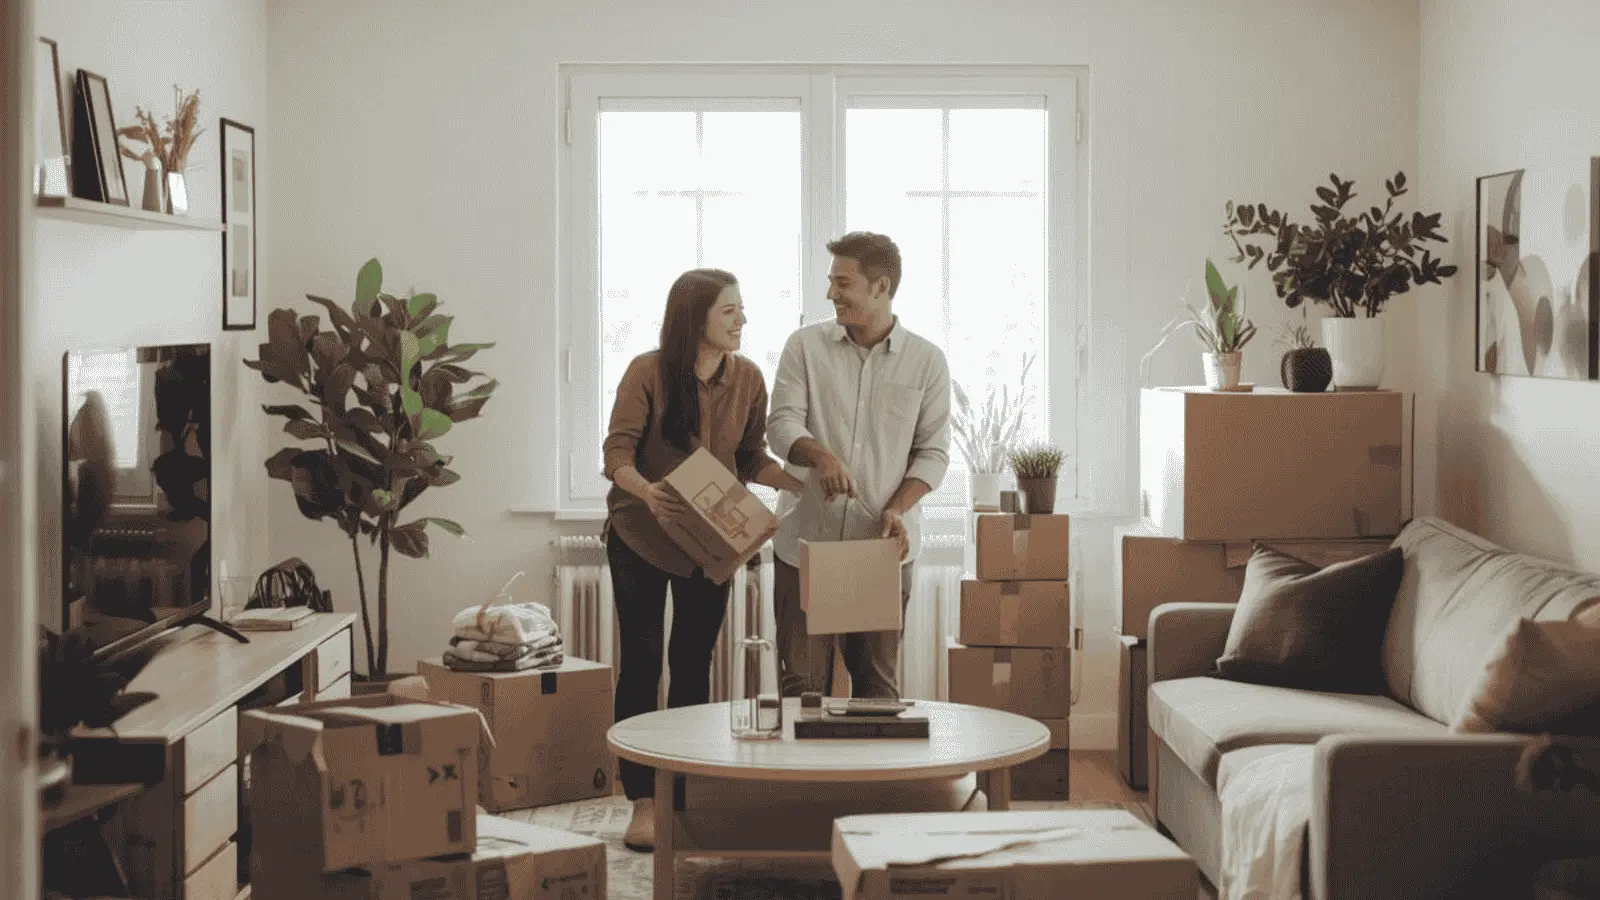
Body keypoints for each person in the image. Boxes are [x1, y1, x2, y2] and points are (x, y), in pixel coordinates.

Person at [601, 267, 803, 853]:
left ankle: (681, 793)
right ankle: (642, 801)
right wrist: (645, 491)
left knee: (691, 664)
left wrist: (794, 480)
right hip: (641, 531)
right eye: (729, 312)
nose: (742, 321)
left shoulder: (748, 378)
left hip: (708, 544)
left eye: (741, 310)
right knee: (641, 664)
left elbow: (748, 458)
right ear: (697, 319)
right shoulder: (647, 371)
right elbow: (616, 448)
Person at [767, 231, 951, 700]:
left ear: (880, 287)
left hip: (880, 549)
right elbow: (781, 423)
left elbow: (933, 452)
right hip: (804, 546)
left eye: (843, 283)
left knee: (877, 692)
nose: (831, 294)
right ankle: (804, 777)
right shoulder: (804, 347)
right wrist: (822, 456)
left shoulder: (927, 363)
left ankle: (870, 778)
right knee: (801, 692)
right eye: (831, 281)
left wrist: (898, 508)